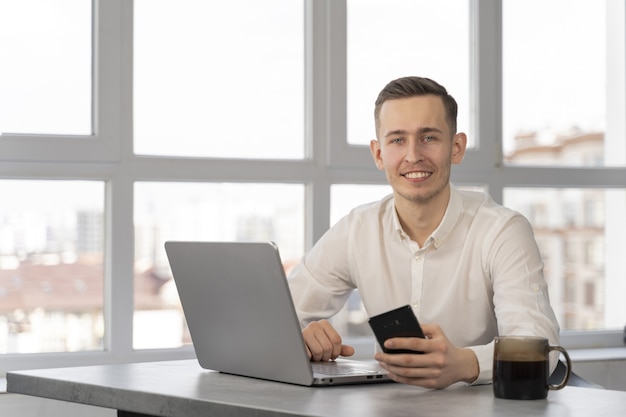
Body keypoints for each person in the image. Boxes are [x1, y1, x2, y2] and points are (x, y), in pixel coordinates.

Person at [286, 76, 560, 389]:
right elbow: (281, 315)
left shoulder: (502, 231)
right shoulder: (358, 229)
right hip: (389, 409)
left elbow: (540, 348)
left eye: (428, 138)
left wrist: (464, 363)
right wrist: (301, 337)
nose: (413, 155)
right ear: (378, 154)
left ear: (456, 148)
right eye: (397, 140)